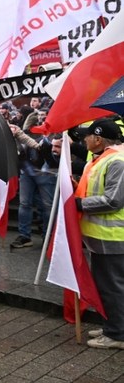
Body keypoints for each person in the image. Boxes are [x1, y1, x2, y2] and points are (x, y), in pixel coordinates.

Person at [74, 119, 124, 350]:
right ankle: (112, 326)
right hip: (102, 237)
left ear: (98, 138)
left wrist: (80, 203)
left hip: (113, 238)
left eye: (87, 135)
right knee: (109, 286)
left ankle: (117, 333)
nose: (84, 139)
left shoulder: (117, 160)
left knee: (112, 287)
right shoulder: (103, 158)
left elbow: (113, 200)